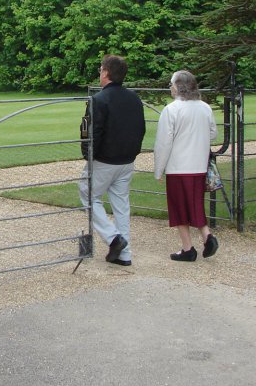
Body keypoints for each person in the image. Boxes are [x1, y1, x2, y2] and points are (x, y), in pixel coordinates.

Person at [79, 55, 146, 267]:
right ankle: (124, 254)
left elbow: (92, 132)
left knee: (88, 194)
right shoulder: (134, 98)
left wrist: (89, 156)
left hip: (105, 160)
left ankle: (113, 238)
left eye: (101, 70)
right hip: (127, 160)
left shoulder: (98, 100)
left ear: (106, 73)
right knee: (121, 204)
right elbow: (141, 129)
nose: (100, 73)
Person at [153, 70, 219, 262]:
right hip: (199, 165)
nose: (171, 88)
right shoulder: (205, 108)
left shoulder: (171, 110)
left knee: (179, 207)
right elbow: (213, 133)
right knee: (195, 203)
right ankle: (207, 236)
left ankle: (188, 248)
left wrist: (158, 170)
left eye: (172, 85)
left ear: (179, 86)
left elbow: (163, 143)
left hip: (178, 167)